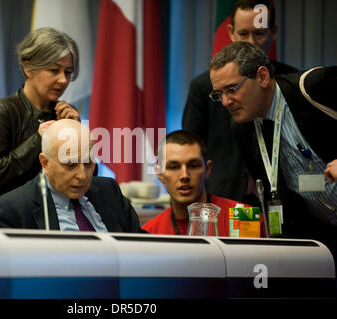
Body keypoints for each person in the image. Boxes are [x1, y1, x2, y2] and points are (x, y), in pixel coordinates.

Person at [209, 41, 336, 256]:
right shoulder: (242, 128)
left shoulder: (313, 86)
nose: (226, 102)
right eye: (219, 94)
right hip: (322, 241)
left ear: (262, 77)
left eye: (231, 89)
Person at [182, 0, 297, 205]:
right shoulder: (204, 86)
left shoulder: (292, 82)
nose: (251, 42)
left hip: (284, 201)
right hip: (224, 198)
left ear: (274, 32)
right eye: (243, 34)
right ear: (231, 33)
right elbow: (190, 149)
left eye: (259, 33)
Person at [0, 27, 80, 222]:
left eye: (68, 72)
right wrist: (37, 140)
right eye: (54, 70)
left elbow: (85, 179)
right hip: (10, 222)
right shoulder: (3, 111)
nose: (63, 80)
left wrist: (76, 134)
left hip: (61, 220)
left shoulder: (66, 115)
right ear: (28, 68)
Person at [0, 119, 144, 233]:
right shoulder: (12, 209)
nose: (82, 176)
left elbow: (140, 249)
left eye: (88, 163)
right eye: (70, 165)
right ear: (45, 162)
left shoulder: (109, 191)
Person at [142, 130, 261, 236]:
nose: (184, 176)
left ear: (207, 169)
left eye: (193, 166)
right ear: (159, 173)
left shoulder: (245, 218)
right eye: (173, 167)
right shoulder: (150, 233)